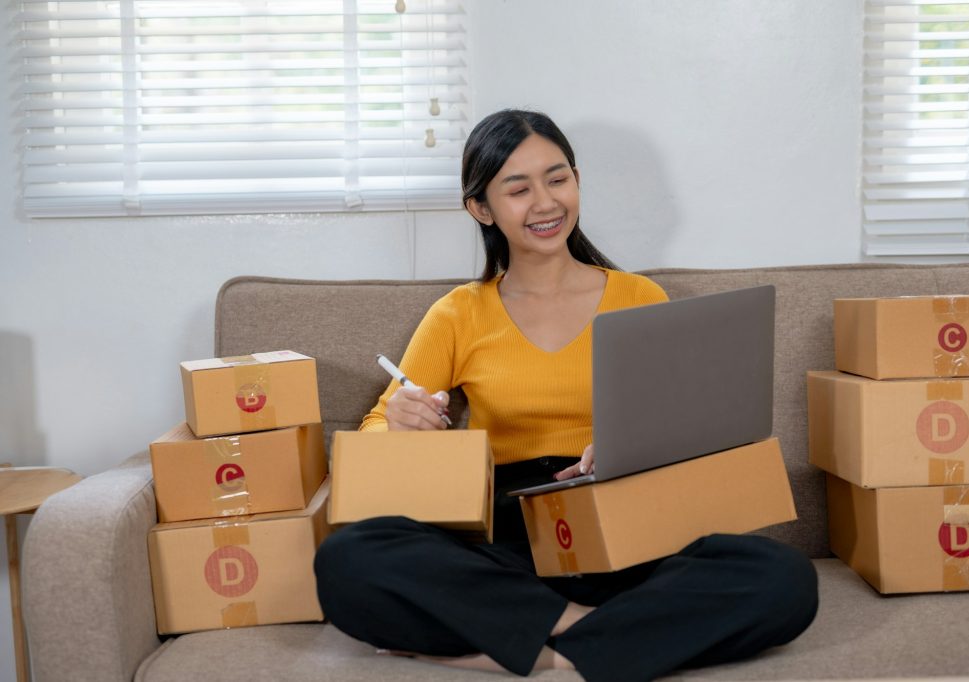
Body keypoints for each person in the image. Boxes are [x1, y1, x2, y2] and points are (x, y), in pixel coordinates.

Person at [314, 109, 818, 682]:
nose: (546, 202)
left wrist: (634, 449)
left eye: (557, 179)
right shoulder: (458, 313)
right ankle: (591, 631)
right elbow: (376, 429)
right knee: (349, 558)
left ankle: (531, 648)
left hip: (623, 526)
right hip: (508, 539)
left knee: (784, 577)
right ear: (481, 208)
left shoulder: (640, 297)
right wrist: (400, 425)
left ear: (576, 181)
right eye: (518, 189)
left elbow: (682, 436)